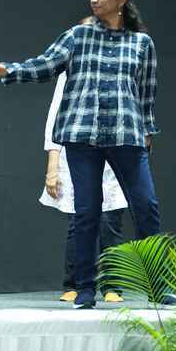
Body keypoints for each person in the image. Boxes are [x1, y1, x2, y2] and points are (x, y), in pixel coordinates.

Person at [0, 0, 159, 309]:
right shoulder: (77, 36)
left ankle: (160, 286)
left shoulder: (142, 44)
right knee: (86, 213)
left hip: (126, 137)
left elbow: (146, 94)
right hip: (81, 137)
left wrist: (146, 131)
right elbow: (42, 66)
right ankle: (84, 290)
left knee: (146, 207)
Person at [41, 70, 126, 304]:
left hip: (114, 152)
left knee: (111, 223)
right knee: (79, 222)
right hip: (77, 153)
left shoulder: (118, 66)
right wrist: (53, 166)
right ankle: (75, 284)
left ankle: (112, 285)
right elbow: (55, 116)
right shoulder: (70, 71)